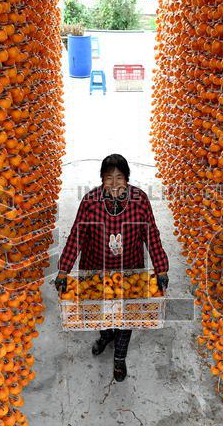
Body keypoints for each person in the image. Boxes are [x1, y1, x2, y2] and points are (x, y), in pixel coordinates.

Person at [55, 154, 169, 382]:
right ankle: (106, 335)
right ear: (101, 180)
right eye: (109, 178)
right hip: (97, 268)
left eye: (119, 177)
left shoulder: (140, 201)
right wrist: (63, 270)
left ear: (127, 179)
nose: (114, 183)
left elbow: (151, 235)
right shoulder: (90, 201)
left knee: (127, 316)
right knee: (100, 311)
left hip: (130, 272)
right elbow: (77, 235)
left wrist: (161, 268)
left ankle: (119, 358)